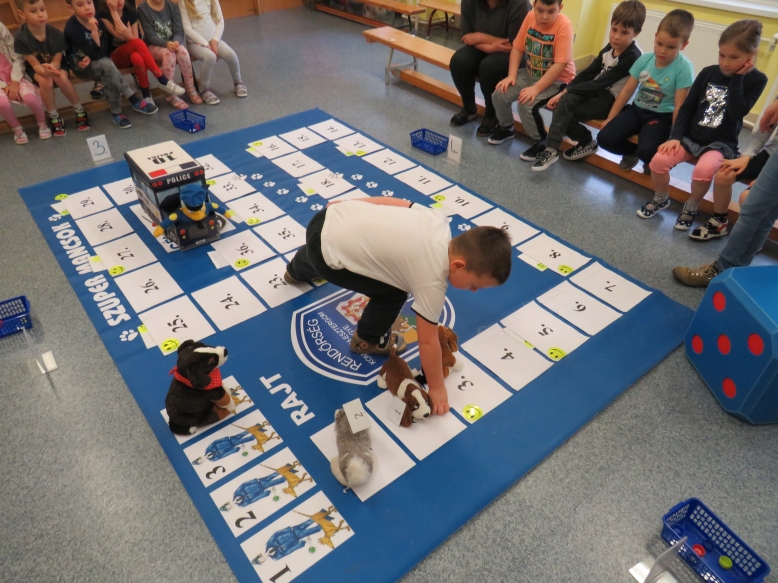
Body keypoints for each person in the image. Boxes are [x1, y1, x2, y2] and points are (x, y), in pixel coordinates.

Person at [284, 199, 512, 415]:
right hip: (326, 256)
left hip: (328, 218)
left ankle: (295, 272)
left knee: (321, 247)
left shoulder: (437, 220)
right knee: (394, 293)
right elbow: (428, 341)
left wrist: (352, 204)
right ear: (458, 265)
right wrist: (437, 388)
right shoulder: (431, 280)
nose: (473, 291)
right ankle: (369, 339)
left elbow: (394, 202)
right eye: (474, 285)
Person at [642, 20, 767, 225]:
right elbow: (687, 107)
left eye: (734, 57)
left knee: (703, 171)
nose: (725, 63)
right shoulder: (708, 72)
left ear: (751, 55)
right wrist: (675, 137)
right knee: (658, 161)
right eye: (722, 55)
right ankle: (661, 197)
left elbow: (737, 112)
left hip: (720, 144)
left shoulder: (757, 79)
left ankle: (692, 204)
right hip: (690, 137)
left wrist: (738, 78)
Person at [673, 97, 778, 287]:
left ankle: (724, 271)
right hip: (771, 154)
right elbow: (764, 132)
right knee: (755, 210)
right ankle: (728, 268)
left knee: (754, 207)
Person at [533, 0, 645, 171]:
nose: (616, 36)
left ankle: (562, 147)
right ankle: (564, 146)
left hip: (611, 101)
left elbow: (600, 83)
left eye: (624, 32)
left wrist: (567, 91)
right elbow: (588, 73)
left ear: (636, 33)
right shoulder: (611, 47)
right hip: (598, 92)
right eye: (614, 29)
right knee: (563, 104)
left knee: (565, 111)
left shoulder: (632, 56)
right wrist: (564, 92)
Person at [596, 9, 694, 174]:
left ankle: (651, 161)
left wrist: (675, 137)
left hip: (661, 117)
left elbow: (680, 106)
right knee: (604, 138)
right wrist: (611, 118)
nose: (662, 51)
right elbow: (627, 91)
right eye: (659, 44)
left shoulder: (684, 69)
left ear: (683, 45)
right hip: (637, 110)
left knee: (647, 150)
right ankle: (632, 153)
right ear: (655, 37)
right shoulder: (644, 60)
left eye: (671, 47)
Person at [489, 0, 576, 161]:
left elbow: (560, 65)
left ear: (560, 8)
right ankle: (506, 128)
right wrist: (511, 76)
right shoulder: (529, 17)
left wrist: (536, 89)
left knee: (526, 104)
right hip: (530, 73)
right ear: (534, 5)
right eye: (540, 10)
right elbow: (517, 48)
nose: (544, 17)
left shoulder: (564, 26)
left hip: (558, 80)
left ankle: (541, 141)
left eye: (551, 11)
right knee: (499, 94)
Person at [64, 0, 159, 129]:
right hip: (81, 67)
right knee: (106, 64)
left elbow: (104, 50)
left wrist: (93, 49)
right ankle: (132, 99)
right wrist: (94, 33)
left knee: (107, 67)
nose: (87, 7)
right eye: (80, 5)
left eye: (89, 2)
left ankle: (117, 112)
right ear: (71, 8)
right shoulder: (71, 28)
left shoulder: (99, 21)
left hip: (99, 60)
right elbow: (94, 54)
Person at [448, 0, 530, 138]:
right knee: (458, 61)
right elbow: (467, 36)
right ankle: (469, 108)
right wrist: (490, 47)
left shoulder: (519, 4)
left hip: (512, 53)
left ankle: (493, 115)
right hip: (482, 47)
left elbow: (515, 44)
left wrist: (480, 37)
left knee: (489, 67)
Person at [13, 0, 89, 136]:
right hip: (36, 68)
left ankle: (79, 110)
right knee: (45, 81)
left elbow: (57, 62)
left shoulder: (56, 34)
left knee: (61, 78)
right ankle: (54, 116)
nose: (40, 14)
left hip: (56, 65)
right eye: (33, 11)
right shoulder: (21, 38)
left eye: (42, 9)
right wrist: (45, 71)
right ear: (22, 14)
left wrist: (52, 68)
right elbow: (35, 65)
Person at [689, 125, 775, 241]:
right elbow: (762, 133)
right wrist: (745, 157)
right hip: (770, 154)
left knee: (748, 197)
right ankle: (720, 222)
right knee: (724, 175)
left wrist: (767, 180)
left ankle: (752, 238)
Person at [96, 0, 185, 108]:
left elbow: (134, 39)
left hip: (132, 53)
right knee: (138, 43)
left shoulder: (130, 11)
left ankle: (146, 94)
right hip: (115, 57)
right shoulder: (102, 14)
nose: (119, 1)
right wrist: (113, 11)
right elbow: (120, 35)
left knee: (137, 56)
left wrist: (128, 35)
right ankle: (161, 79)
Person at [178, 0, 247, 105]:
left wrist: (215, 41)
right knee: (210, 57)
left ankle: (238, 82)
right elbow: (187, 29)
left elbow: (220, 21)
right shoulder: (184, 2)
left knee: (231, 54)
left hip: (214, 40)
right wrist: (206, 44)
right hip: (195, 43)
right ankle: (204, 89)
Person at [137, 0, 203, 107]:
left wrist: (176, 42)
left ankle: (190, 87)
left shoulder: (172, 6)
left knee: (183, 52)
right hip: (152, 46)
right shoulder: (142, 9)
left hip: (172, 44)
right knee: (169, 54)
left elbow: (179, 31)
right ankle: (170, 93)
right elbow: (150, 35)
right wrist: (165, 44)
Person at [0, 20, 48, 143]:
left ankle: (42, 124)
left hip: (16, 74)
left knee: (30, 98)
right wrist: (4, 85)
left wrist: (15, 81)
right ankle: (17, 130)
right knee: (2, 103)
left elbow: (17, 56)